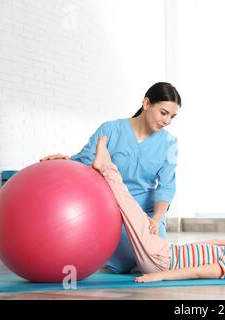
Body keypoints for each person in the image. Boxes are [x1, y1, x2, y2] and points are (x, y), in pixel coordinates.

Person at [92, 136, 225, 282]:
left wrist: (159, 276)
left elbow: (196, 273)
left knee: (130, 209)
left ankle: (107, 168)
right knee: (134, 215)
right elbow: (212, 242)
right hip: (162, 253)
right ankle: (107, 167)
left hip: (161, 260)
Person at [41, 82, 181, 273]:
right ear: (146, 103)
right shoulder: (110, 130)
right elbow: (84, 160)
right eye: (163, 113)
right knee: (123, 262)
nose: (167, 121)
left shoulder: (169, 143)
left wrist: (156, 219)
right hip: (112, 211)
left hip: (146, 213)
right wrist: (64, 161)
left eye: (172, 116)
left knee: (157, 260)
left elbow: (167, 186)